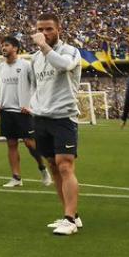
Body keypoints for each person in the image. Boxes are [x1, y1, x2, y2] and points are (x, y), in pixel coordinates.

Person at [24, 14, 84, 236]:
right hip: (41, 118)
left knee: (65, 165)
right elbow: (35, 85)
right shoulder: (35, 59)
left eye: (48, 29)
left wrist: (44, 47)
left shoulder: (70, 51)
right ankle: (72, 215)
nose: (44, 33)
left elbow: (64, 66)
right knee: (52, 165)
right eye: (40, 29)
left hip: (63, 116)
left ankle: (69, 219)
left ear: (59, 29)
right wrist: (33, 105)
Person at [0, 37, 50, 188]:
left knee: (30, 143)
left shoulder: (26, 65)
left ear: (15, 48)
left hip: (24, 111)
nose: (3, 48)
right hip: (6, 112)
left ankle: (43, 169)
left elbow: (36, 86)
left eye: (6, 45)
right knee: (11, 144)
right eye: (2, 45)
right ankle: (16, 177)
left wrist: (31, 105)